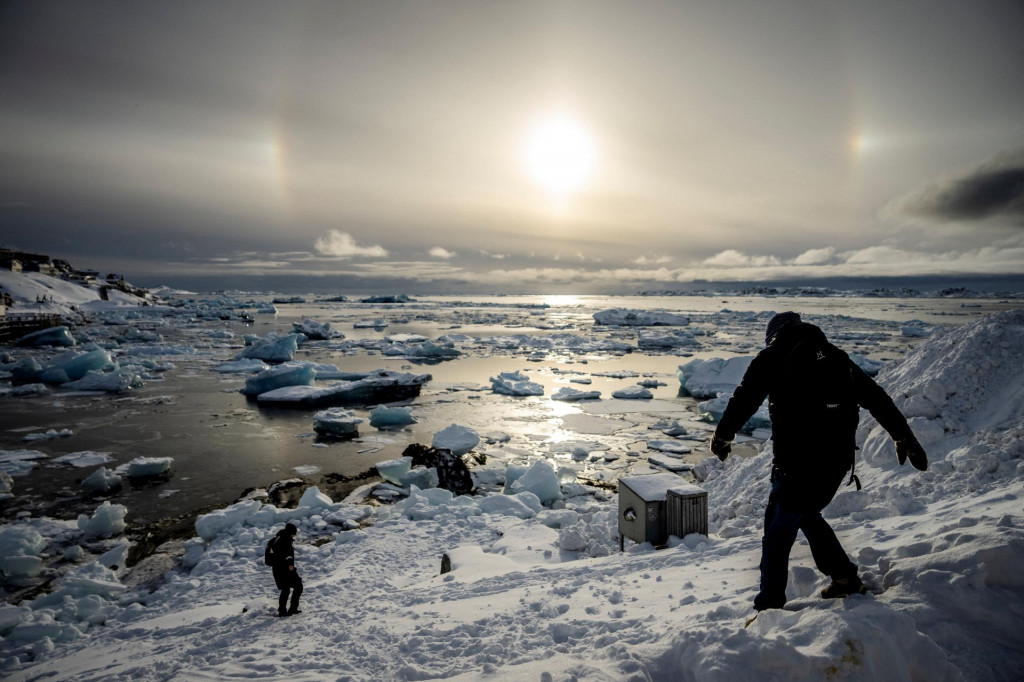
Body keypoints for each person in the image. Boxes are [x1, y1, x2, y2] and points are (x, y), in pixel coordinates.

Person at [710, 311, 928, 612]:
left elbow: (744, 398)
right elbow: (877, 397)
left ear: (774, 334)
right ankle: (845, 579)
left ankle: (768, 608)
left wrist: (722, 436)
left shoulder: (773, 355)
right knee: (807, 514)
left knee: (777, 534)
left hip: (796, 465)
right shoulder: (836, 357)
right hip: (836, 463)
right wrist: (904, 438)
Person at [270, 522, 303, 617]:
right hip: (285, 569)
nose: (294, 535)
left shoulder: (278, 538)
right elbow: (283, 555)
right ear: (290, 532)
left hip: (278, 570)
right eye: (293, 533)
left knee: (286, 589)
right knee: (297, 586)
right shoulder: (284, 540)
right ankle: (291, 609)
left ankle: (283, 611)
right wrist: (289, 564)